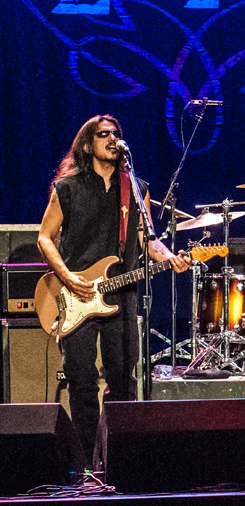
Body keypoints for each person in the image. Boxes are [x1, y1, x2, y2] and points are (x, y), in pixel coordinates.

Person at [37, 115, 190, 463]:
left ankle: (119, 458)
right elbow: (45, 237)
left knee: (123, 381)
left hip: (122, 293)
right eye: (102, 134)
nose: (111, 139)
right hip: (76, 296)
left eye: (116, 134)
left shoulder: (135, 187)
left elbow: (147, 239)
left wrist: (171, 257)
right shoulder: (68, 187)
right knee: (83, 382)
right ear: (87, 145)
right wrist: (66, 276)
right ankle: (85, 463)